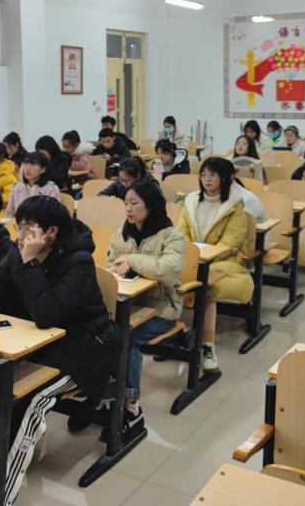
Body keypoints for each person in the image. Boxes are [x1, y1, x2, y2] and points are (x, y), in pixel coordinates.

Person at [0, 196, 120, 505]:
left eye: (28, 227)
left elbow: (47, 314)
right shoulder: (19, 250)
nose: (20, 235)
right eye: (19, 226)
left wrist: (30, 263)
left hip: (82, 351)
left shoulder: (79, 261)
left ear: (51, 232)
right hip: (38, 346)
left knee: (29, 402)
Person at [107, 179, 184, 431]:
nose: (128, 209)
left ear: (150, 205)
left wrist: (131, 260)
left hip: (161, 309)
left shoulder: (171, 236)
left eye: (134, 203)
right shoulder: (120, 235)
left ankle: (131, 405)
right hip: (127, 306)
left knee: (125, 338)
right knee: (100, 333)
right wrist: (117, 267)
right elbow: (110, 266)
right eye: (126, 203)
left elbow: (168, 270)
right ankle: (102, 395)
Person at [176, 157, 252, 373]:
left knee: (204, 284)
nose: (206, 179)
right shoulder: (191, 201)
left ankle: (208, 345)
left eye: (212, 175)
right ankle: (176, 336)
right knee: (170, 278)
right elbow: (181, 233)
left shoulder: (234, 206)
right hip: (193, 259)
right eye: (203, 175)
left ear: (224, 178)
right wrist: (192, 255)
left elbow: (230, 244)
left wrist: (204, 257)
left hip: (225, 262)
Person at [6, 152, 62, 217]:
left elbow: (53, 215)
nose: (27, 168)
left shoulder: (51, 188)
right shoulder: (17, 187)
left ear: (43, 169)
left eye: (33, 164)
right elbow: (10, 213)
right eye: (25, 164)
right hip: (18, 223)